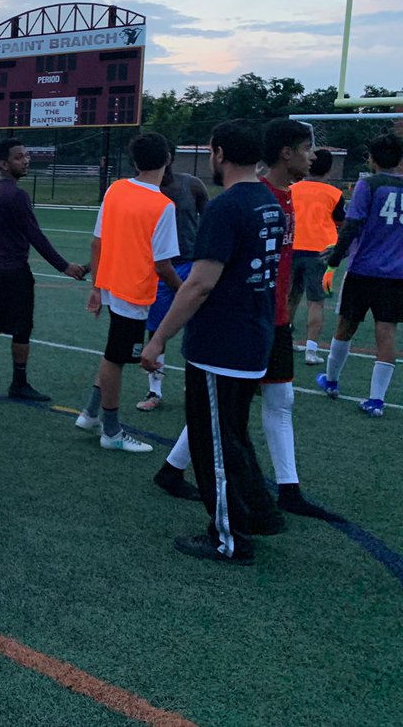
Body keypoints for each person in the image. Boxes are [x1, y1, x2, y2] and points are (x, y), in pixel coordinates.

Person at [154, 118, 339, 520]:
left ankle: (253, 503)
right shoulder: (258, 200)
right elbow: (207, 280)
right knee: (225, 415)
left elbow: (209, 280)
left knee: (232, 414)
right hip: (250, 323)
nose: (313, 156)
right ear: (283, 153)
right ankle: (252, 504)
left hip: (258, 322)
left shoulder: (264, 200)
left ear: (219, 154)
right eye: (306, 148)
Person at [141, 119, 285, 565]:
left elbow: (200, 284)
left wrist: (158, 339)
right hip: (253, 336)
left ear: (219, 153)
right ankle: (257, 512)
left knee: (214, 446)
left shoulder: (226, 207)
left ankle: (227, 538)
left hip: (222, 344)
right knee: (232, 435)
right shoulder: (269, 201)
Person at [76, 133, 181, 452]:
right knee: (115, 358)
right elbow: (162, 265)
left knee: (115, 353)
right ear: (168, 159)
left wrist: (97, 287)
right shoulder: (163, 206)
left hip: (112, 286)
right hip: (133, 293)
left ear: (135, 162)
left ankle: (90, 414)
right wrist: (184, 291)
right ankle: (111, 431)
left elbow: (97, 242)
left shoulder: (116, 189)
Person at [0, 140, 86, 403]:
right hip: (13, 270)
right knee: (21, 329)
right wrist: (65, 266)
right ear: (4, 164)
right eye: (19, 157)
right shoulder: (17, 195)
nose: (26, 160)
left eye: (26, 155)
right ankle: (19, 384)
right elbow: (35, 236)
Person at [317, 132, 403, 417]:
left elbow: (352, 226)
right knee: (386, 332)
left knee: (346, 326)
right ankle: (377, 400)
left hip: (363, 269)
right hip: (396, 274)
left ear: (372, 159)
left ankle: (331, 381)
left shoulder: (368, 185)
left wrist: (334, 260)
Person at [135, 148, 208, 412]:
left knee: (197, 326)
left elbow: (208, 222)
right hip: (158, 269)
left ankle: (195, 384)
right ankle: (154, 390)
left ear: (169, 158)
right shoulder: (140, 190)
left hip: (190, 264)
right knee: (157, 329)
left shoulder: (192, 185)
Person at [289, 149, 345, 365]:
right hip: (321, 251)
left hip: (292, 247)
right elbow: (341, 222)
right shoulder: (334, 193)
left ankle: (284, 341)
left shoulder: (292, 189)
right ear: (329, 168)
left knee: (290, 297)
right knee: (316, 302)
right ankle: (311, 350)